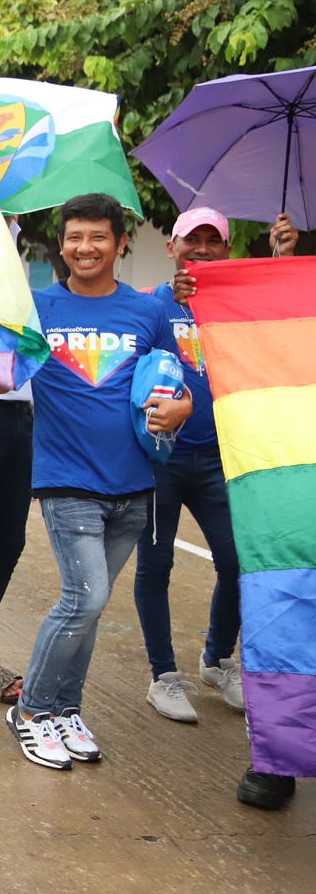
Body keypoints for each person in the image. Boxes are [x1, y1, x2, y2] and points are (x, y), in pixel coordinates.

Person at [6, 193, 191, 770]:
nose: (85, 248)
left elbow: (174, 379)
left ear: (119, 244)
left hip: (134, 487)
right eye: (74, 237)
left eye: (98, 237)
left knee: (94, 606)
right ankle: (33, 712)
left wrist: (181, 408)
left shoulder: (146, 311)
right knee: (83, 598)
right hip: (67, 481)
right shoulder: (35, 309)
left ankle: (65, 709)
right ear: (61, 244)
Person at [137, 209, 299, 729]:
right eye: (192, 240)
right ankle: (164, 675)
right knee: (157, 565)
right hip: (161, 458)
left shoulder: (232, 303)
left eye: (214, 241)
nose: (203, 249)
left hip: (220, 457)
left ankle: (216, 659)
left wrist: (282, 262)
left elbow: (280, 320)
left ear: (227, 251)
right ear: (172, 246)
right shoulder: (150, 305)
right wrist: (176, 297)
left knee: (237, 562)